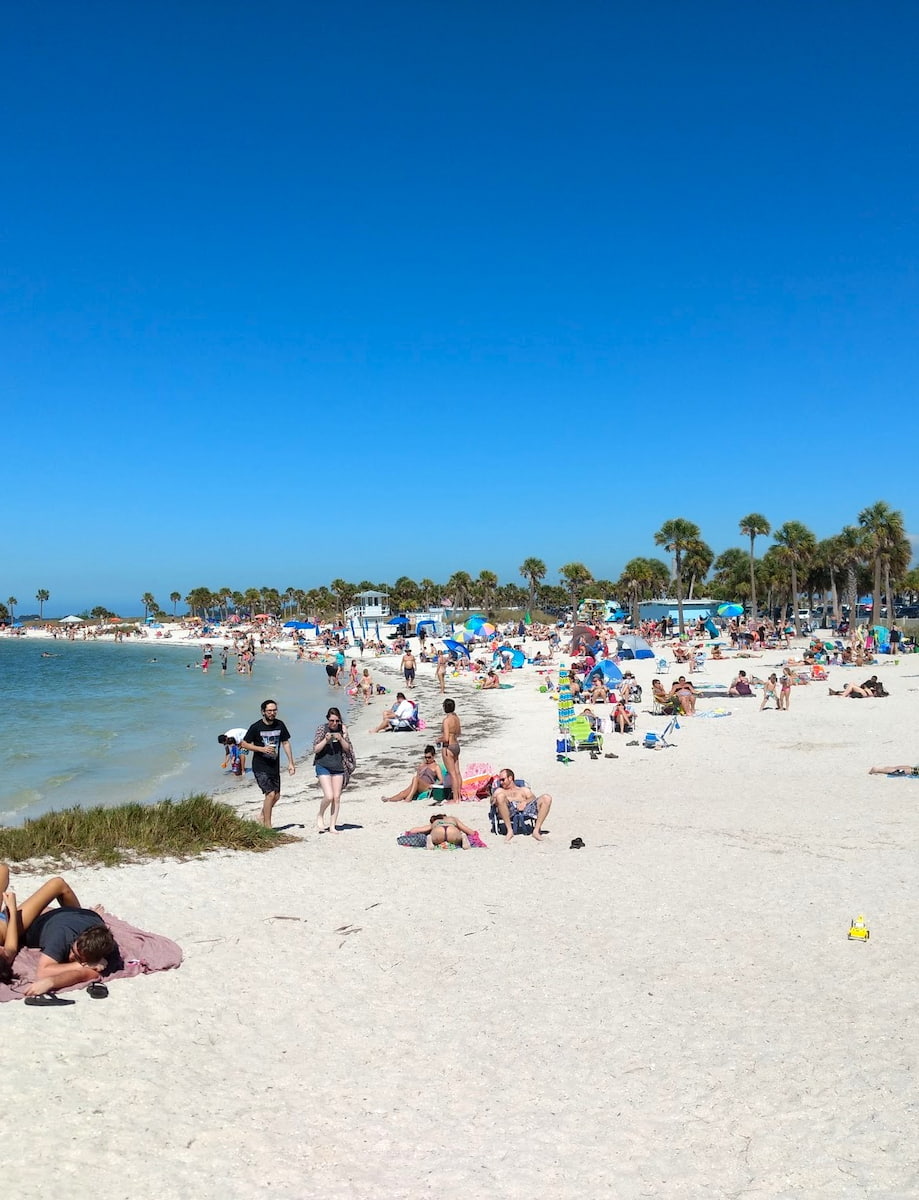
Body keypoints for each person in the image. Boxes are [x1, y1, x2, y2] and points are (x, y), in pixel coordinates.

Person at [0, 865, 117, 996]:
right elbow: (10, 950)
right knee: (57, 884)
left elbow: (9, 951)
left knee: (3, 869)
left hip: (6, 921)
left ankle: (77, 914)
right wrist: (12, 911)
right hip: (6, 924)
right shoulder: (63, 935)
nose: (70, 956)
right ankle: (77, 914)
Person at [241, 699, 296, 827]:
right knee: (270, 794)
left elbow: (285, 743)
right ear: (263, 712)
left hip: (274, 765)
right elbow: (244, 744)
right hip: (260, 766)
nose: (272, 713)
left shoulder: (280, 725)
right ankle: (268, 825)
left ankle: (262, 815)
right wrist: (261, 749)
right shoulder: (256, 727)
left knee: (276, 796)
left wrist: (291, 763)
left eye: (274, 710)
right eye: (269, 710)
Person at [312, 707, 355, 834]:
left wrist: (341, 738)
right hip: (323, 765)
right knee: (329, 796)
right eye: (332, 720)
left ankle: (332, 826)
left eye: (337, 721)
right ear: (328, 719)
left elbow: (348, 749)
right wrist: (326, 740)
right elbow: (315, 749)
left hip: (338, 766)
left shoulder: (343, 729)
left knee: (336, 797)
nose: (334, 723)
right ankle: (320, 814)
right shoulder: (322, 729)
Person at [491, 769, 553, 842]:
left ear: (510, 778)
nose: (501, 782)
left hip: (526, 809)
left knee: (546, 798)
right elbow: (492, 801)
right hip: (509, 810)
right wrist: (495, 798)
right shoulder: (500, 790)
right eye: (500, 780)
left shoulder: (523, 790)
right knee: (500, 796)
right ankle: (509, 831)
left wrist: (525, 802)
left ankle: (536, 831)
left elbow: (533, 797)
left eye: (503, 780)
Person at [405, 813, 477, 849]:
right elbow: (471, 832)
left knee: (432, 836)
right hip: (452, 830)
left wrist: (431, 827)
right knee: (459, 836)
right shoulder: (452, 818)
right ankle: (462, 838)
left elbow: (413, 831)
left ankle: (430, 840)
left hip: (438, 831)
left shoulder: (435, 822)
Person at [438, 698, 462, 802]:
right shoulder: (456, 718)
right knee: (457, 772)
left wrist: (438, 739)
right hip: (456, 745)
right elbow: (459, 733)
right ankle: (459, 796)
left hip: (449, 747)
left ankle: (455, 798)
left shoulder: (446, 720)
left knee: (452, 774)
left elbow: (446, 738)